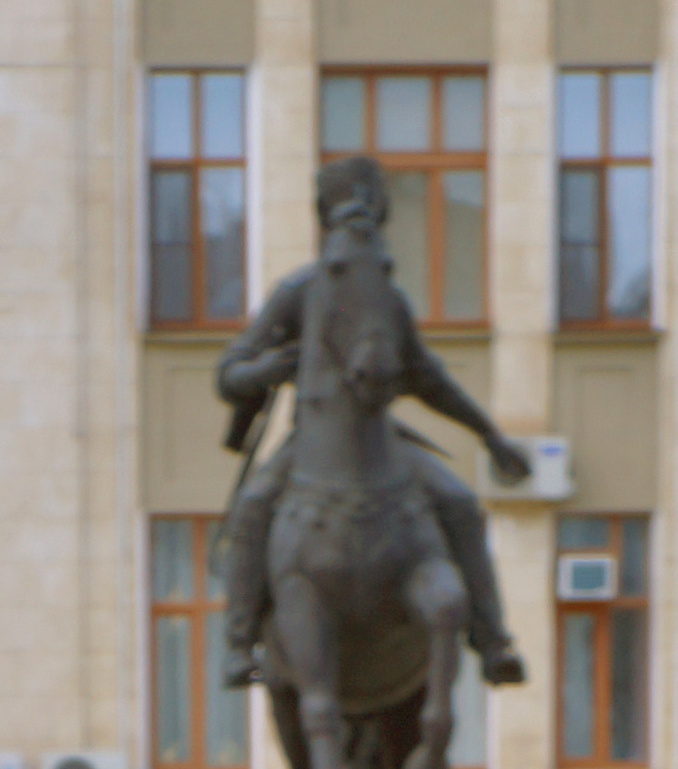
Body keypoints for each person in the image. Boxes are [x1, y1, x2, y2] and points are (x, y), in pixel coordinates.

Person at [216, 154, 530, 690]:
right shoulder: (299, 291)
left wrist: (490, 435)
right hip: (311, 446)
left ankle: (492, 638)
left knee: (457, 503)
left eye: (366, 205)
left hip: (385, 443)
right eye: (343, 206)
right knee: (252, 508)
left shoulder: (390, 300)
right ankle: (240, 643)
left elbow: (429, 378)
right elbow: (230, 373)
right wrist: (265, 368)